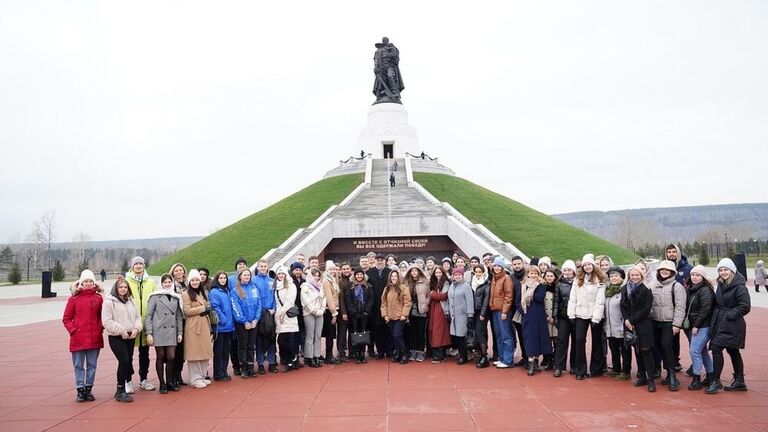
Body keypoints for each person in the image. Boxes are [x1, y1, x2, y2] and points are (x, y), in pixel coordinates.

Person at [706, 258, 751, 394]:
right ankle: (739, 381)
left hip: (733, 324)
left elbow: (745, 306)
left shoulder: (739, 286)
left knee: (717, 348)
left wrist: (728, 315)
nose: (723, 272)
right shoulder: (720, 284)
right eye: (720, 270)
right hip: (721, 322)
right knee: (732, 351)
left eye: (725, 269)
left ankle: (715, 381)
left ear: (732, 271)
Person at [63, 270, 103, 403]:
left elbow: (104, 316)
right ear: (81, 282)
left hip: (94, 337)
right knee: (78, 365)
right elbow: (66, 318)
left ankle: (88, 389)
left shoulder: (98, 298)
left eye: (91, 281)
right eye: (86, 281)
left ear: (94, 283)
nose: (88, 283)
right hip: (78, 338)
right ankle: (80, 389)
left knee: (92, 365)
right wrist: (73, 330)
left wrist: (100, 327)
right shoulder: (73, 299)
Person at [102, 276, 142, 403]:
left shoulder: (131, 300)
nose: (123, 289)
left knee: (128, 361)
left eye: (125, 287)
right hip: (116, 337)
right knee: (124, 361)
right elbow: (107, 321)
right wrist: (121, 330)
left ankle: (123, 387)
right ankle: (120, 390)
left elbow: (137, 317)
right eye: (121, 287)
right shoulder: (109, 302)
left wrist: (136, 329)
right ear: (116, 288)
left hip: (130, 336)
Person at [567, 254, 606, 380]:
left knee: (596, 341)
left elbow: (600, 300)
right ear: (582, 266)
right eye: (585, 265)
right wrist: (571, 314)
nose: (587, 267)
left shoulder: (600, 279)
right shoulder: (578, 279)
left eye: (589, 264)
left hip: (595, 314)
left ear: (593, 265)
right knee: (579, 340)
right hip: (580, 313)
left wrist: (596, 318)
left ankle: (596, 369)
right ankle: (580, 370)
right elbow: (572, 298)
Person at [650, 260, 686, 391]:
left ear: (672, 272)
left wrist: (677, 324)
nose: (664, 272)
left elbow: (681, 307)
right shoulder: (653, 285)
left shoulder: (676, 286)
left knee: (666, 346)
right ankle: (659, 369)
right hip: (654, 321)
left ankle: (671, 374)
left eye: (667, 270)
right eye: (662, 270)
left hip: (668, 322)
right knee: (657, 347)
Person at [145, 273, 184, 393]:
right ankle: (162, 383)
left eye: (169, 282)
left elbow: (178, 316)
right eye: (165, 282)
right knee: (161, 357)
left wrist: (180, 332)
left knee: (171, 357)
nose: (167, 284)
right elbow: (148, 315)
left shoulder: (176, 297)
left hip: (172, 331)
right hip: (159, 331)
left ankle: (169, 381)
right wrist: (149, 333)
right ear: (161, 283)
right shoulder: (154, 297)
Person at [621, 266, 657, 392]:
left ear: (641, 276)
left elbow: (646, 309)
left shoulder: (646, 289)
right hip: (629, 324)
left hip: (643, 324)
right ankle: (642, 376)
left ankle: (651, 379)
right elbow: (623, 306)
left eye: (637, 275)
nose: (634, 277)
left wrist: (631, 320)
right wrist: (627, 320)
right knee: (636, 350)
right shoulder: (625, 289)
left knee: (645, 351)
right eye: (632, 275)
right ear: (629, 276)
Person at [124, 256, 157, 391]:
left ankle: (143, 379)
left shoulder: (150, 282)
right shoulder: (126, 281)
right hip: (131, 323)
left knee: (145, 354)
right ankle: (128, 380)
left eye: (141, 264)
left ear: (144, 266)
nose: (138, 266)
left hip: (146, 322)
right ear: (132, 266)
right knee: (128, 355)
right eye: (136, 264)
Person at [181, 269, 213, 388]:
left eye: (197, 280)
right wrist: (203, 308)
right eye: (193, 280)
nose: (195, 282)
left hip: (204, 324)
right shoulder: (186, 294)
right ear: (189, 282)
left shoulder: (202, 293)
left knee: (204, 351)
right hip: (193, 326)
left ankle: (202, 375)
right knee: (194, 353)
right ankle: (195, 379)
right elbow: (187, 311)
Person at [685, 265, 714, 390]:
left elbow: (706, 309)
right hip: (693, 325)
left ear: (703, 277)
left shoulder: (705, 290)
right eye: (693, 275)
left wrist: (697, 325)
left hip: (703, 326)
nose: (694, 277)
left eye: (697, 275)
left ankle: (696, 378)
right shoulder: (691, 289)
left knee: (694, 351)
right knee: (702, 351)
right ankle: (711, 376)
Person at [520, 265, 551, 375]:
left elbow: (539, 297)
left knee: (538, 338)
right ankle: (531, 363)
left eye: (535, 273)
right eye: (531, 273)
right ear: (527, 274)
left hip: (538, 315)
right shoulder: (523, 285)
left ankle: (535, 362)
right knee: (529, 339)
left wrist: (532, 290)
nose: (533, 275)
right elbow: (519, 299)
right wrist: (522, 311)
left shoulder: (541, 285)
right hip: (527, 314)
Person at [230, 267, 261, 378]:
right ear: (240, 277)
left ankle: (251, 368)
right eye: (244, 275)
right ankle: (243, 368)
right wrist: (244, 321)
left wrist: (256, 319)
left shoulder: (254, 289)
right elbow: (236, 307)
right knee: (243, 346)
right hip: (242, 323)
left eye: (248, 275)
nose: (247, 277)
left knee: (251, 346)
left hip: (253, 322)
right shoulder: (235, 291)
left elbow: (258, 304)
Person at [604, 267, 631, 380]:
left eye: (616, 276)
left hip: (621, 325)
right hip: (610, 326)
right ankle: (616, 368)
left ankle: (626, 371)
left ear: (622, 277)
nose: (613, 278)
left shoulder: (625, 290)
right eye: (611, 276)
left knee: (624, 348)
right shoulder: (608, 290)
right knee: (613, 347)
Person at [381, 270, 412, 364]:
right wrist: (385, 315)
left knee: (397, 335)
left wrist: (404, 314)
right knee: (393, 337)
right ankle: (397, 353)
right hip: (390, 317)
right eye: (392, 276)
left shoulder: (404, 288)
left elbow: (407, 302)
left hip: (400, 316)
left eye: (395, 276)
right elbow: (383, 303)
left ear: (399, 278)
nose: (393, 278)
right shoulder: (387, 288)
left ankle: (404, 353)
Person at [489, 257, 515, 368]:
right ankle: (502, 357)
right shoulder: (494, 278)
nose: (497, 268)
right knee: (499, 335)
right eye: (495, 266)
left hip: (502, 311)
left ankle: (508, 360)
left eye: (499, 266)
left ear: (502, 267)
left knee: (506, 335)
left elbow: (508, 296)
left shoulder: (506, 278)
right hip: (495, 310)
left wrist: (505, 311)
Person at [209, 271, 234, 382]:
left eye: (224, 278)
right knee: (219, 351)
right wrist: (223, 320)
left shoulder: (227, 291)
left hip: (229, 326)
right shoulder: (214, 292)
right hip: (221, 326)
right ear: (217, 279)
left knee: (226, 351)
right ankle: (218, 373)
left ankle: (223, 371)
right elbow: (215, 307)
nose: (223, 280)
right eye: (221, 278)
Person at [274, 266, 300, 372]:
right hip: (279, 316)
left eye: (283, 273)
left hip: (287, 315)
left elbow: (290, 301)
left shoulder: (291, 285)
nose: (281, 276)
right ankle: (289, 359)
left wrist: (281, 313)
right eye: (279, 274)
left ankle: (291, 360)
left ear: (286, 274)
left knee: (287, 340)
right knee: (281, 340)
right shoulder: (276, 286)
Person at [552, 260, 576, 377]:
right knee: (561, 341)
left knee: (576, 342)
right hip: (563, 316)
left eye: (569, 270)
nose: (567, 272)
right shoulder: (559, 284)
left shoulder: (578, 283)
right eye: (565, 270)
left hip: (576, 316)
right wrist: (555, 316)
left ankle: (574, 366)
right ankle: (559, 367)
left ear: (573, 271)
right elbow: (556, 301)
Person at [346, 267, 374, 363]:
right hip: (354, 315)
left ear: (363, 276)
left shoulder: (368, 286)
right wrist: (353, 312)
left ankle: (362, 353)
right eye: (357, 274)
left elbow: (371, 300)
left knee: (364, 334)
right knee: (355, 334)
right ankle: (356, 353)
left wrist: (366, 311)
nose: (359, 276)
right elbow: (348, 301)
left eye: (361, 274)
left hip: (365, 315)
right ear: (355, 276)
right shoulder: (350, 287)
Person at [253, 260, 277, 374]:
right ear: (257, 267)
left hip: (270, 313)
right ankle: (261, 363)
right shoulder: (253, 281)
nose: (263, 268)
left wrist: (274, 308)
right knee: (260, 340)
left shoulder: (272, 281)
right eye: (261, 266)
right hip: (260, 314)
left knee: (272, 338)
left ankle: (272, 362)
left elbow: (275, 296)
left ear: (268, 268)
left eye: (265, 266)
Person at [447, 268, 474, 365]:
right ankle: (461, 354)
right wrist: (447, 311)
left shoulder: (466, 286)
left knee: (461, 336)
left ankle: (464, 356)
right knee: (456, 337)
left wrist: (470, 314)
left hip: (462, 315)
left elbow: (469, 301)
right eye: (455, 275)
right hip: (453, 315)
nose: (457, 276)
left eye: (459, 274)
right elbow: (449, 299)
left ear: (462, 275)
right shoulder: (452, 286)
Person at [367, 254, 392, 359]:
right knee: (377, 330)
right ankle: (380, 351)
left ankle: (389, 351)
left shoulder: (390, 272)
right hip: (375, 306)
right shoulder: (369, 273)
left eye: (382, 260)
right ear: (375, 261)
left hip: (389, 305)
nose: (380, 262)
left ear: (384, 261)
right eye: (378, 260)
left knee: (388, 329)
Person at [301, 267, 327, 368]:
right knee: (310, 335)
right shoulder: (305, 286)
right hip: (309, 313)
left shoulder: (321, 286)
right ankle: (309, 356)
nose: (316, 277)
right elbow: (305, 300)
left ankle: (316, 355)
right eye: (314, 275)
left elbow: (323, 298)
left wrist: (322, 309)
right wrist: (314, 310)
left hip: (320, 312)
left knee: (318, 335)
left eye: (317, 276)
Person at [227, 257, 248, 376]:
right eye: (239, 264)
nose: (241, 266)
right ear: (236, 267)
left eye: (243, 264)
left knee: (245, 342)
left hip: (246, 315)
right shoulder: (230, 280)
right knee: (234, 343)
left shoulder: (249, 279)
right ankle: (236, 365)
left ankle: (244, 363)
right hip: (234, 314)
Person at [405, 264, 430, 362]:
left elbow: (429, 295)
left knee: (420, 331)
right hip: (410, 310)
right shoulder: (406, 282)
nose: (414, 272)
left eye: (416, 270)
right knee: (412, 331)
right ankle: (413, 351)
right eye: (412, 271)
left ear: (419, 271)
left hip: (421, 310)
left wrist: (425, 304)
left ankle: (420, 351)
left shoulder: (425, 282)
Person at [169, 262, 188, 386]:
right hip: (176, 320)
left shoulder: (188, 284)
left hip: (188, 319)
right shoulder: (171, 286)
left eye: (180, 270)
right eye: (176, 271)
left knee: (183, 351)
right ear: (172, 273)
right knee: (176, 349)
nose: (179, 272)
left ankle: (179, 375)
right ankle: (173, 376)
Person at [428, 267, 452, 363]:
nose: (438, 274)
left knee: (439, 331)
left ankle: (440, 354)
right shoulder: (433, 283)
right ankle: (436, 352)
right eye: (436, 272)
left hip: (441, 308)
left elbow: (443, 296)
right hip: (433, 308)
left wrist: (433, 294)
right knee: (433, 329)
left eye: (439, 272)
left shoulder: (445, 282)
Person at [469, 264, 491, 368]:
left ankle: (484, 356)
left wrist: (483, 313)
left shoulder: (486, 283)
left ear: (483, 272)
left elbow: (486, 300)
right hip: (473, 311)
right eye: (476, 271)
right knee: (475, 333)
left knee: (480, 332)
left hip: (482, 312)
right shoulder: (472, 282)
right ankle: (479, 353)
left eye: (480, 271)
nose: (478, 273)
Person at [321, 261, 341, 364]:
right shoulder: (326, 281)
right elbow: (329, 298)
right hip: (329, 311)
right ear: (327, 270)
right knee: (329, 334)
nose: (333, 271)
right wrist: (334, 313)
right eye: (331, 269)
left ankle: (329, 355)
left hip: (334, 309)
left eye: (334, 269)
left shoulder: (333, 280)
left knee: (332, 334)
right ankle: (328, 355)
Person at [509, 256, 527, 367]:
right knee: (520, 334)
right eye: (514, 264)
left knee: (528, 335)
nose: (517, 266)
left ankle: (531, 358)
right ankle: (525, 357)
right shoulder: (511, 278)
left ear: (523, 263)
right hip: (515, 311)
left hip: (527, 310)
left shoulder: (528, 275)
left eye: (518, 264)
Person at [541, 269, 559, 371]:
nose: (549, 278)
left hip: (555, 318)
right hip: (545, 318)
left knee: (556, 341)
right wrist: (546, 316)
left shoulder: (558, 287)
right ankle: (549, 360)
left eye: (551, 276)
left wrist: (554, 317)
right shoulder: (542, 288)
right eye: (547, 276)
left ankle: (557, 361)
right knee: (547, 341)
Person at [289, 262, 306, 365]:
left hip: (302, 312)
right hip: (292, 312)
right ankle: (292, 357)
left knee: (300, 335)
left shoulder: (304, 282)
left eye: (300, 270)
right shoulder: (290, 282)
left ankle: (297, 355)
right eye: (296, 270)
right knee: (292, 335)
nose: (298, 271)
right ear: (293, 271)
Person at [336, 262, 353, 362]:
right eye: (344, 269)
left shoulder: (353, 280)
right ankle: (341, 353)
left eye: (348, 268)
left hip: (352, 312)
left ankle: (352, 352)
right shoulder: (340, 282)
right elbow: (341, 299)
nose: (346, 270)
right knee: (342, 334)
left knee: (351, 333)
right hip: (344, 313)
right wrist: (343, 313)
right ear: (341, 270)